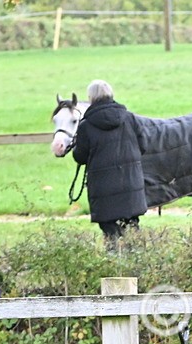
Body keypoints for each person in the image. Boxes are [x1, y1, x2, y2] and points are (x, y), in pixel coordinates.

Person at [71, 80, 146, 245]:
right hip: (131, 186)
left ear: (91, 98)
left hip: (104, 190)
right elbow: (144, 146)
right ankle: (139, 266)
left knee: (111, 235)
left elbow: (80, 157)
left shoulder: (86, 125)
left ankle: (115, 268)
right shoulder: (130, 118)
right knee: (133, 231)